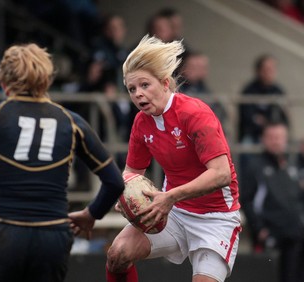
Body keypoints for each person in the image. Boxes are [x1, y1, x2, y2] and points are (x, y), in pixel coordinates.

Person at [0, 43, 125, 281]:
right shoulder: (72, 122)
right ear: (46, 79)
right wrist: (92, 213)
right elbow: (114, 182)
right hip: (52, 237)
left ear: (3, 81)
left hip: (3, 231)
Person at [105, 35, 242, 282]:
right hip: (174, 211)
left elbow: (221, 174)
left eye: (145, 85)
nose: (138, 94)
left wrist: (170, 196)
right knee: (118, 254)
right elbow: (132, 172)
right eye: (132, 89)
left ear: (165, 83)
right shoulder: (141, 121)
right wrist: (123, 193)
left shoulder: (194, 113)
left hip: (215, 217)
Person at [240, 122, 304, 282]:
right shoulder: (254, 167)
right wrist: (260, 229)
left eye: (280, 137)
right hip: (272, 238)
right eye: (272, 137)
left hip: (297, 236)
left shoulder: (292, 166)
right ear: (263, 139)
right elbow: (246, 200)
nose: (276, 141)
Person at [238, 54, 289, 144]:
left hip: (273, 134)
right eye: (267, 69)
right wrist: (266, 125)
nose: (270, 72)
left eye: (273, 69)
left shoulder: (278, 91)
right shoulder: (249, 91)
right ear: (259, 71)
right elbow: (249, 119)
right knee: (247, 144)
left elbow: (284, 118)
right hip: (253, 135)